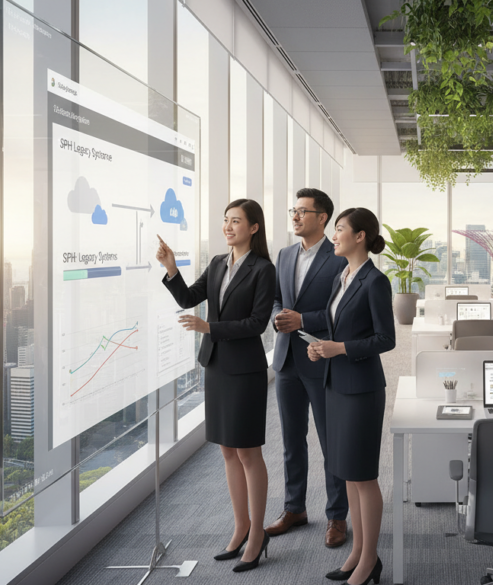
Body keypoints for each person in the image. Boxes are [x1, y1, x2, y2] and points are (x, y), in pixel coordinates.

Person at [158, 199, 275, 572]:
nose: (228, 226)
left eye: (236, 221)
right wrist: (171, 268)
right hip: (217, 366)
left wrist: (210, 328)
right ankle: (240, 525)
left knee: (247, 453)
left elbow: (258, 323)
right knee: (227, 451)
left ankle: (258, 532)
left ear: (253, 227)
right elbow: (188, 298)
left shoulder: (263, 269)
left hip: (245, 370)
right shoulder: (217, 263)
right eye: (225, 221)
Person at [308, 207, 395, 585]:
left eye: (340, 229)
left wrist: (340, 349)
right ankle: (357, 553)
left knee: (363, 476)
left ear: (360, 236)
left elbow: (385, 339)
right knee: (345, 473)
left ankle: (370, 559)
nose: (333, 235)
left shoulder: (375, 281)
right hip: (335, 385)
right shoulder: (341, 276)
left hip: (361, 388)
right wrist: (320, 347)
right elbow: (333, 326)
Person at [265, 188, 350, 548]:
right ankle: (294, 508)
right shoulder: (284, 255)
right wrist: (277, 319)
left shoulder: (339, 258)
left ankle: (337, 516)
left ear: (323, 218)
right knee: (291, 442)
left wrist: (303, 319)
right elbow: (275, 301)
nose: (296, 216)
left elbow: (342, 311)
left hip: (321, 359)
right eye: (293, 210)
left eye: (303, 211)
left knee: (332, 442)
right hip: (286, 361)